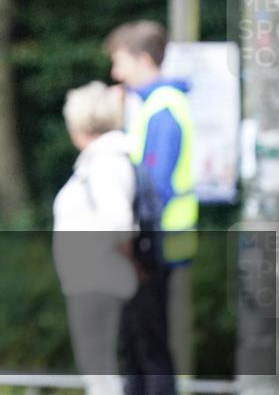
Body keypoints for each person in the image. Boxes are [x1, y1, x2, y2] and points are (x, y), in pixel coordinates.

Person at [104, 21, 197, 395]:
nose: (116, 73)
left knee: (147, 345)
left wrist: (133, 242)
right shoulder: (153, 105)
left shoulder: (162, 109)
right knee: (140, 342)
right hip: (155, 241)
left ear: (144, 60)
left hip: (152, 244)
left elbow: (154, 188)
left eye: (120, 62)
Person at [53, 81, 137, 395]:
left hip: (96, 279)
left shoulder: (104, 163)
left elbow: (118, 222)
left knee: (99, 371)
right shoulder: (104, 160)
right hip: (94, 278)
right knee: (101, 369)